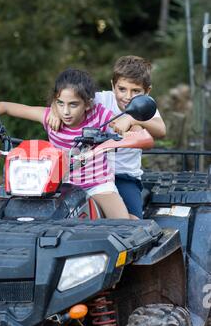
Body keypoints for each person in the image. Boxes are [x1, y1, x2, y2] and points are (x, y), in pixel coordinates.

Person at [0, 68, 130, 219]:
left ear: (87, 104)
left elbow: (134, 128)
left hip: (97, 185)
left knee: (123, 226)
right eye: (60, 103)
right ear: (54, 101)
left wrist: (128, 126)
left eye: (73, 105)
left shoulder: (100, 116)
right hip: (58, 186)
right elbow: (3, 107)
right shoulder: (49, 116)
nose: (65, 111)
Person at [48, 56, 166, 219]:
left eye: (136, 91)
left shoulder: (144, 106)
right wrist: (54, 110)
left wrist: (132, 119)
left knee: (131, 223)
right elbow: (70, 99)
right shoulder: (101, 99)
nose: (128, 96)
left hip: (123, 174)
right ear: (113, 85)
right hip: (87, 172)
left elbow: (161, 130)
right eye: (122, 89)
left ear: (147, 92)